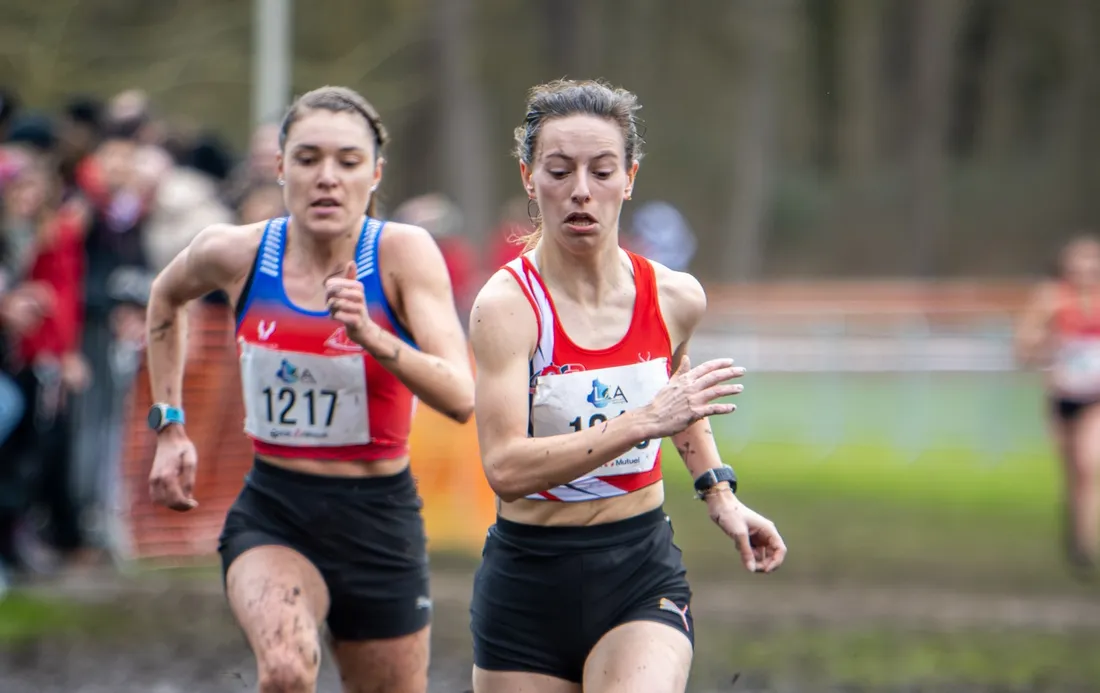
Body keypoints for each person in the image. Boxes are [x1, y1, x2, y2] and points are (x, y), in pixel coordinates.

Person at [144, 85, 475, 693]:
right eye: (308, 158)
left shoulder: (402, 254)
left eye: (347, 162)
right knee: (288, 669)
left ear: (375, 174)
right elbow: (166, 296)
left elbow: (460, 396)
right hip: (276, 510)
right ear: (279, 167)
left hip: (380, 519)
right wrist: (169, 424)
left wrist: (375, 338)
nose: (327, 178)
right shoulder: (235, 251)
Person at [467, 79, 788, 693]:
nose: (581, 191)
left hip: (638, 571)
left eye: (602, 170)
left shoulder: (675, 296)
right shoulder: (507, 308)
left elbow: (679, 399)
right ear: (529, 178)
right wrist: (641, 422)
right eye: (559, 171)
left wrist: (721, 495)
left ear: (630, 178)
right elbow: (505, 468)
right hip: (527, 583)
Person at [1016, 234, 1100, 575]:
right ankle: (1074, 527)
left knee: (1087, 465)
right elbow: (1023, 348)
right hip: (1063, 396)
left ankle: (1084, 543)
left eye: (1092, 265)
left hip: (1096, 397)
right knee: (1071, 474)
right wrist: (1043, 346)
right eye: (1078, 265)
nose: (1085, 272)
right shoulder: (1050, 299)